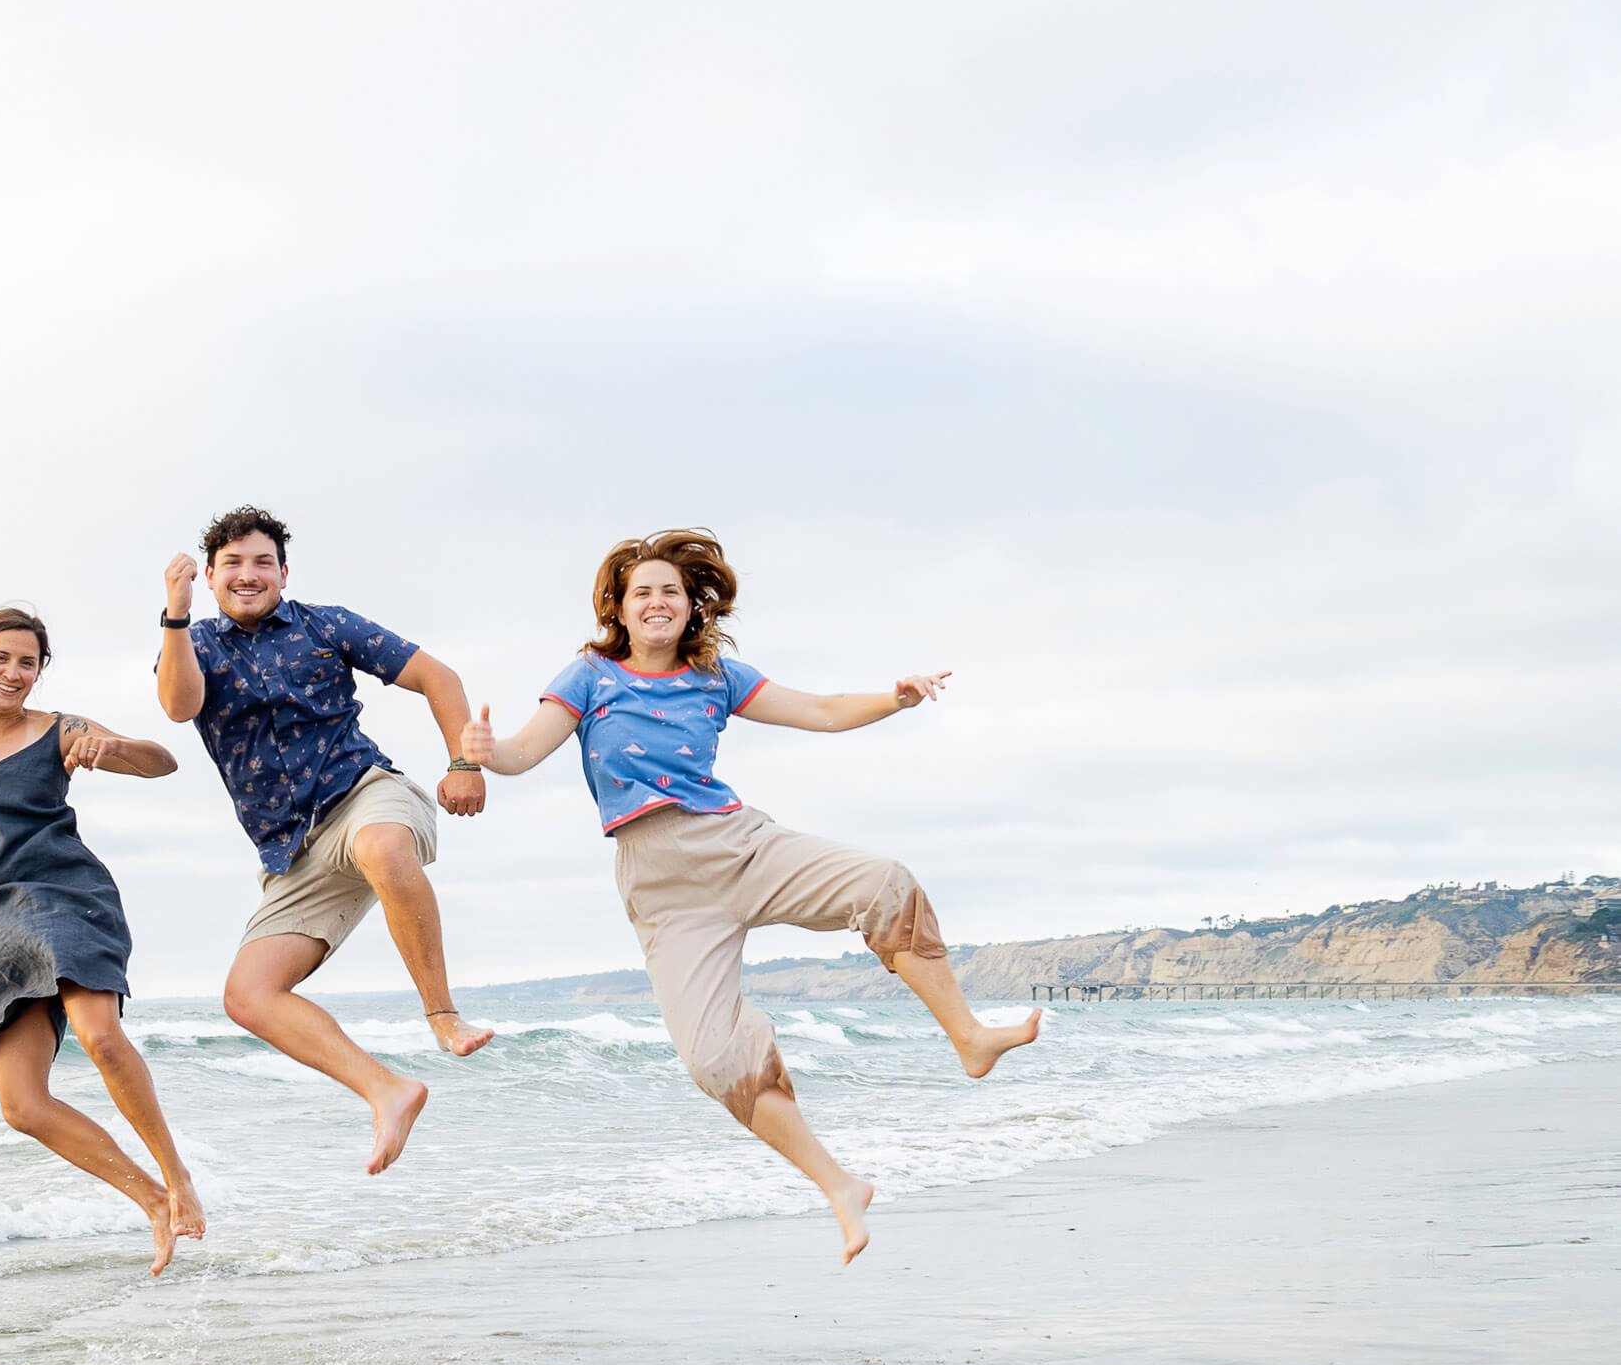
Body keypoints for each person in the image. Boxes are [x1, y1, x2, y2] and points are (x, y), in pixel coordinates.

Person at [458, 529, 1041, 1263]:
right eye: (643, 592)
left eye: (670, 589)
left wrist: (893, 700)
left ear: (691, 604)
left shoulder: (718, 677)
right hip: (660, 886)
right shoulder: (590, 675)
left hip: (737, 844)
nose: (657, 601)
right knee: (714, 1061)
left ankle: (969, 1035)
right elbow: (521, 749)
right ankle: (840, 1187)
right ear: (620, 608)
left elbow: (823, 710)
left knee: (885, 883)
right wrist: (487, 754)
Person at [0, 498, 203, 1275]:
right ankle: (151, 1199)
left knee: (101, 1034)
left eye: (29, 662)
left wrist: (109, 746)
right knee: (21, 1104)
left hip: (67, 894)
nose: (15, 672)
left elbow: (165, 760)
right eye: (3, 658)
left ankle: (180, 1177)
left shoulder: (57, 728)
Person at [156, 505, 491, 1176]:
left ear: (283, 571)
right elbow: (179, 705)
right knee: (248, 995)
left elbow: (439, 677)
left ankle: (443, 1013)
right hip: (292, 850)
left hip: (367, 793)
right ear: (212, 576)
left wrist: (464, 763)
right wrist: (176, 613)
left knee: (382, 847)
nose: (248, 575)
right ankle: (387, 1090)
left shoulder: (324, 624)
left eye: (262, 562)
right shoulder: (196, 644)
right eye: (232, 564)